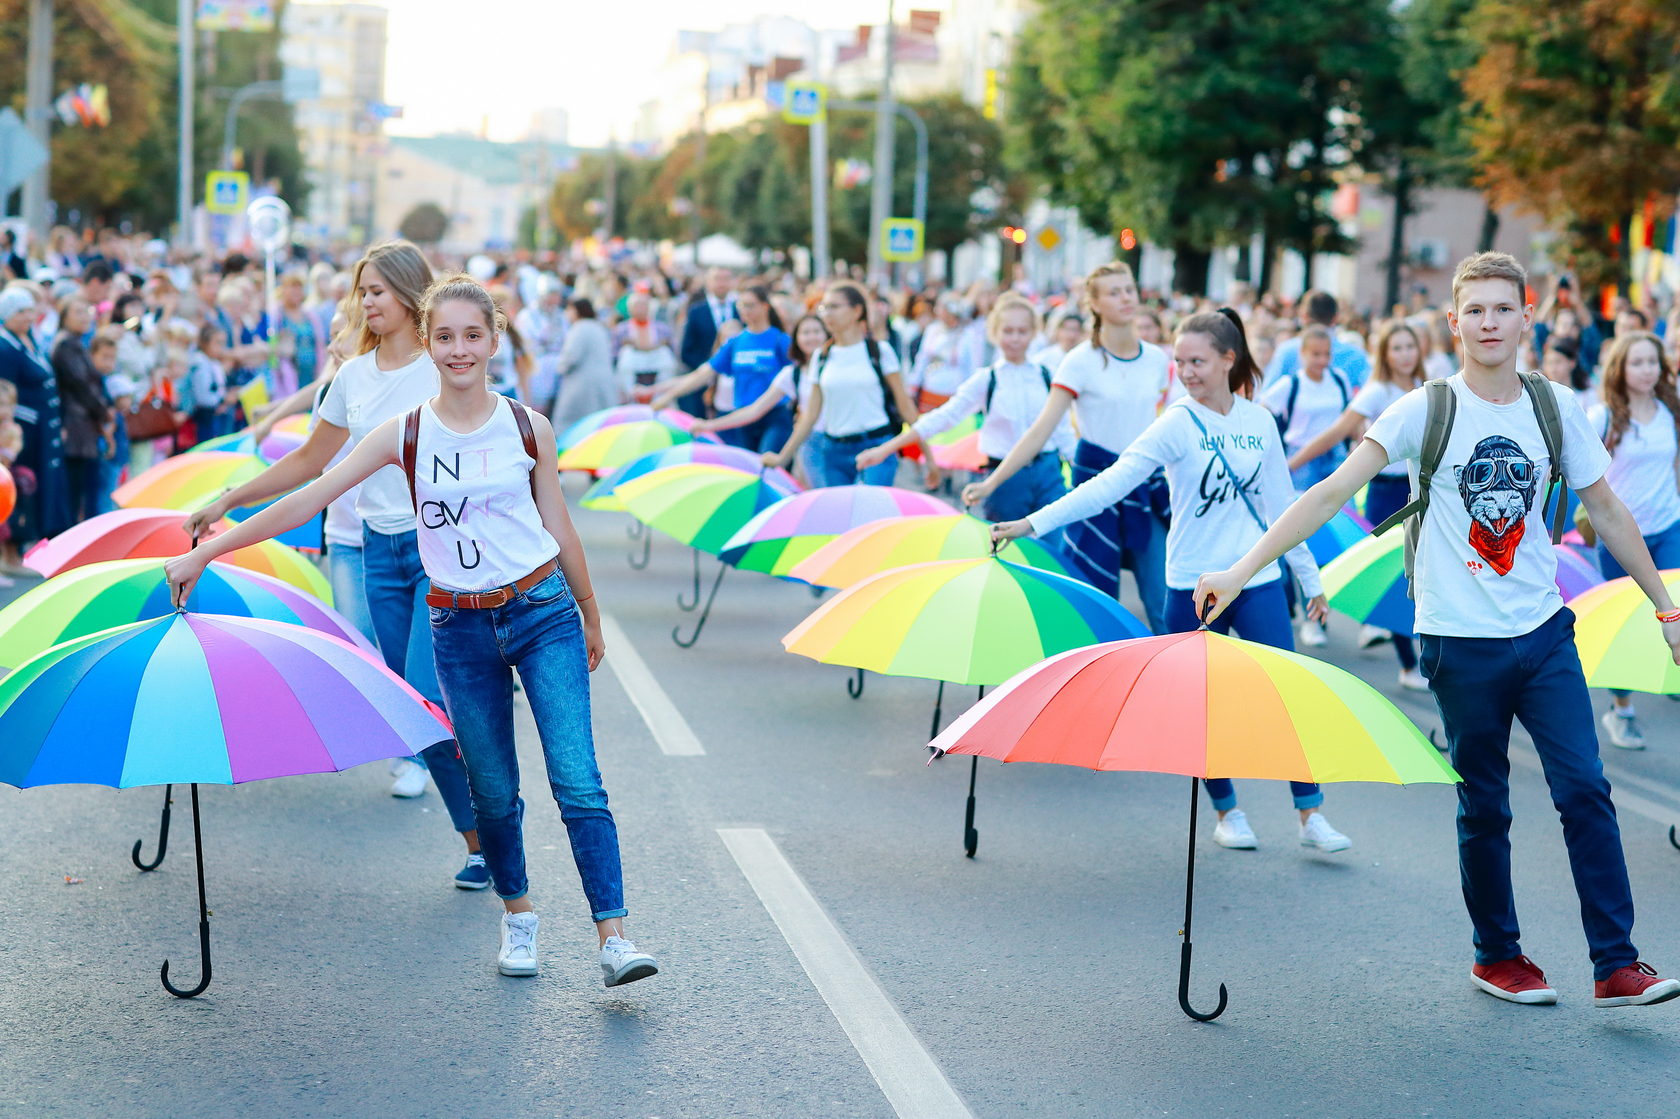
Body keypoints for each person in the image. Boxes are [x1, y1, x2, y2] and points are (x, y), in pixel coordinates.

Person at [1195, 251, 1680, 1008]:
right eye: (1475, 309)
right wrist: (1240, 567)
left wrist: (1665, 606)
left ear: (1527, 318)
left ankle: (1617, 962)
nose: (1490, 321)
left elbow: (1608, 510)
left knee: (1586, 787)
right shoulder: (1423, 409)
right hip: (1459, 641)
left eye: (1503, 308)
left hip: (1545, 630)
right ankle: (1497, 955)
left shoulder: (1554, 407)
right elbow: (1328, 493)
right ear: (1454, 323)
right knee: (1485, 803)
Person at [166, 273, 660, 987]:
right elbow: (311, 492)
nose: (460, 349)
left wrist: (587, 608)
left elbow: (559, 523)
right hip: (457, 626)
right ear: (427, 343)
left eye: (473, 335)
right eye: (446, 337)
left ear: (493, 341)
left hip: (541, 610)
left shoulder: (527, 426)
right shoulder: (404, 433)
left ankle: (614, 936)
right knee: (492, 788)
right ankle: (518, 914)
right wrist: (210, 547)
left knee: (577, 778)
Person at [992, 308, 1350, 853]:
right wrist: (1031, 523)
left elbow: (1285, 508)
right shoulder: (1176, 424)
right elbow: (1109, 484)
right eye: (1179, 362)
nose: (1185, 371)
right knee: (1202, 705)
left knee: (1287, 695)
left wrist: (1310, 580)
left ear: (1229, 360)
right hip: (1194, 585)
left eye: (1197, 361)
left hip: (1255, 579)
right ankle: (1227, 810)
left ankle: (1309, 812)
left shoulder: (1259, 423)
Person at [181, 240, 484, 873]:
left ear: (410, 294)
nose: (366, 302)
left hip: (441, 555)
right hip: (378, 554)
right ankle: (484, 843)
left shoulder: (441, 366)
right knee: (418, 710)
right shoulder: (353, 377)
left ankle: (492, 844)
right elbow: (308, 463)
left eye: (377, 290)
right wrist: (227, 502)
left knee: (430, 702)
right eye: (362, 291)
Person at [962, 262, 1175, 633]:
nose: (1126, 298)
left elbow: (1172, 422)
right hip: (1094, 486)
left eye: (1128, 289)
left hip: (1145, 486)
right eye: (1114, 292)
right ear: (1094, 303)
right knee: (1096, 605)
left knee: (1163, 601)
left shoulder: (1157, 359)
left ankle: (1173, 687)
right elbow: (1040, 431)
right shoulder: (1079, 362)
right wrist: (991, 482)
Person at [1286, 319, 1429, 688]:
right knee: (1398, 575)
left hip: (1421, 495)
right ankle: (1408, 664)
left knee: (1427, 573)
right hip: (1383, 493)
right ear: (1385, 354)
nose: (1404, 354)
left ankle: (1417, 653)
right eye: (1396, 347)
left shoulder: (1427, 389)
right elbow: (1337, 431)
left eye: (1409, 347)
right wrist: (1290, 464)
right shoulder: (1377, 391)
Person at [859, 293, 1073, 522]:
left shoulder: (1048, 375)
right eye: (1008, 331)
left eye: (1022, 331)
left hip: (1048, 473)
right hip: (1003, 480)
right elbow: (944, 417)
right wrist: (885, 449)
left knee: (1054, 548)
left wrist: (1080, 470)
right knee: (1011, 549)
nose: (1015, 339)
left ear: (1033, 333)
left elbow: (1062, 429)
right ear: (995, 333)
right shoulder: (987, 379)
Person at [1588, 331, 1680, 749]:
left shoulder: (1670, 411)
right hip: (1620, 537)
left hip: (1669, 528)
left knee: (1673, 611)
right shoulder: (1603, 416)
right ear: (1621, 369)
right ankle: (1621, 710)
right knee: (1623, 623)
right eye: (1638, 362)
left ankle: (1669, 677)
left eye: (1653, 362)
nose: (1647, 370)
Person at [761, 281, 922, 488]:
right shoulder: (821, 357)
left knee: (870, 514)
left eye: (834, 307)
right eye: (824, 307)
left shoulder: (880, 352)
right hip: (834, 451)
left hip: (876, 446)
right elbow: (809, 415)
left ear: (857, 311)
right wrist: (783, 456)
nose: (827, 314)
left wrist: (927, 455)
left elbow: (905, 405)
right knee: (843, 517)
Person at [696, 312, 830, 485]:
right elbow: (755, 409)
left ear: (827, 334)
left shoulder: (837, 366)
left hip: (845, 438)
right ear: (796, 339)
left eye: (816, 331)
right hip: (812, 442)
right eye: (805, 332)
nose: (812, 337)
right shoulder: (791, 375)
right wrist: (709, 425)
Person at [652, 284, 790, 452]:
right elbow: (703, 374)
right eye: (741, 305)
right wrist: (668, 396)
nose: (744, 310)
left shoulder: (780, 341)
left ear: (765, 307)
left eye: (750, 305)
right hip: (742, 417)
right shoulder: (736, 342)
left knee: (768, 464)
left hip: (774, 415)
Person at [51, 295, 111, 524]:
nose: (84, 316)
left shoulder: (77, 343)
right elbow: (80, 385)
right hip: (75, 426)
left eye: (86, 310)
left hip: (85, 425)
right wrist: (103, 412)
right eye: (77, 312)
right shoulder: (65, 344)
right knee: (73, 493)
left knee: (82, 490)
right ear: (64, 316)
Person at [1266, 290, 1372, 388]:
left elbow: (1267, 393)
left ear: (1304, 316)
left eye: (1326, 354)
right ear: (1335, 318)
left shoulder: (1287, 350)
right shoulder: (1355, 354)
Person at [676, 268, 738, 417]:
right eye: (717, 279)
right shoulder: (697, 311)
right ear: (708, 282)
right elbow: (687, 350)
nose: (721, 284)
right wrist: (709, 369)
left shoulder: (741, 309)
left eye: (726, 279)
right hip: (704, 382)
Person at [551, 298, 616, 428]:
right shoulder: (599, 327)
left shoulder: (579, 328)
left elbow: (571, 357)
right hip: (603, 381)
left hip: (582, 384)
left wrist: (559, 368)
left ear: (576, 311)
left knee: (575, 426)